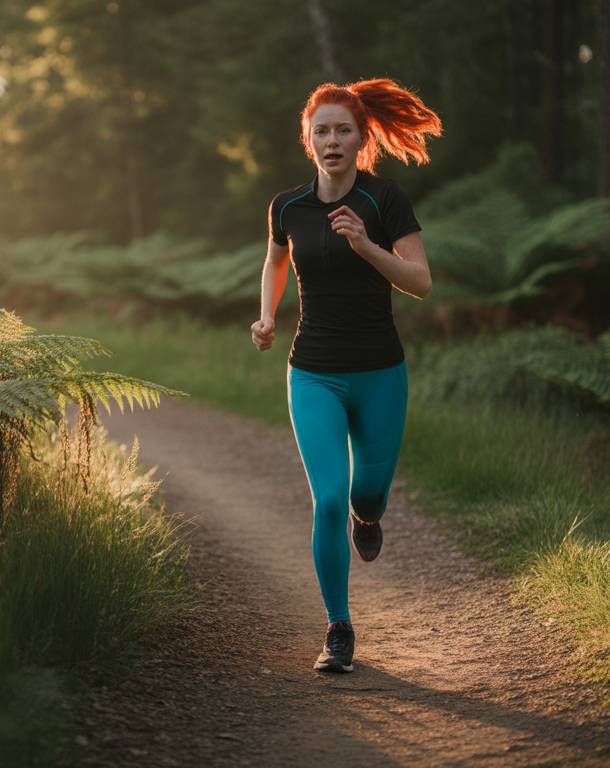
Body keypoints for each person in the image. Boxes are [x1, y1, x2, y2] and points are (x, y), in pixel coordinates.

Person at [251, 79, 440, 673]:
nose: (332, 141)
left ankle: (370, 515)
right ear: (308, 141)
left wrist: (366, 247)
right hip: (313, 372)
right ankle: (338, 627)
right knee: (328, 497)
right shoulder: (288, 206)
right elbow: (276, 258)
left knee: (366, 494)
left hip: (380, 370)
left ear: (362, 139)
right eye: (321, 131)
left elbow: (421, 282)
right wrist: (265, 316)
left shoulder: (385, 200)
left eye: (343, 130)